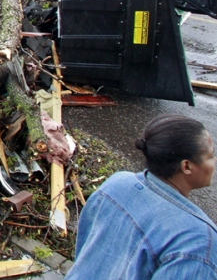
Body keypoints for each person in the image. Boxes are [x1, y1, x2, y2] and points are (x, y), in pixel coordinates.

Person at [65, 115, 217, 279]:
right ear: (186, 166)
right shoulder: (198, 241)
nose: (215, 161)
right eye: (210, 156)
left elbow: (84, 254)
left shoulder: (117, 183)